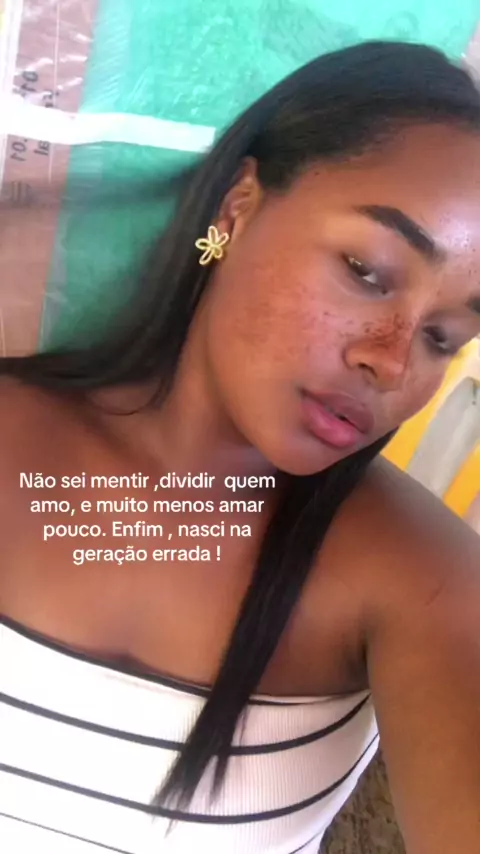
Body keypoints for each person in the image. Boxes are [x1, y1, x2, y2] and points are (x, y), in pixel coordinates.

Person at [0, 40, 479, 854]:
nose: (393, 362)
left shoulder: (425, 581)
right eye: (366, 270)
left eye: (444, 337)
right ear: (238, 206)